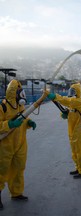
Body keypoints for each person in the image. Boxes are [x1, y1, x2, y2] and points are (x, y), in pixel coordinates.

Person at [0, 80, 37, 210]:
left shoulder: (20, 106)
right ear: (13, 93)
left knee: (18, 169)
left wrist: (29, 122)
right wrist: (8, 124)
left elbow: (23, 119)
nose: (22, 95)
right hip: (5, 146)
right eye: (19, 92)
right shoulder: (3, 107)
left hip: (20, 144)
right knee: (1, 171)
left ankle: (16, 193)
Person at [47, 83, 81, 179]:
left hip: (80, 131)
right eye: (71, 91)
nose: (71, 93)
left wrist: (55, 96)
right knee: (74, 151)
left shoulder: (77, 101)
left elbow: (65, 100)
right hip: (73, 130)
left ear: (77, 92)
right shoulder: (73, 104)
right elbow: (72, 112)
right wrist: (67, 115)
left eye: (73, 91)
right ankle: (78, 168)